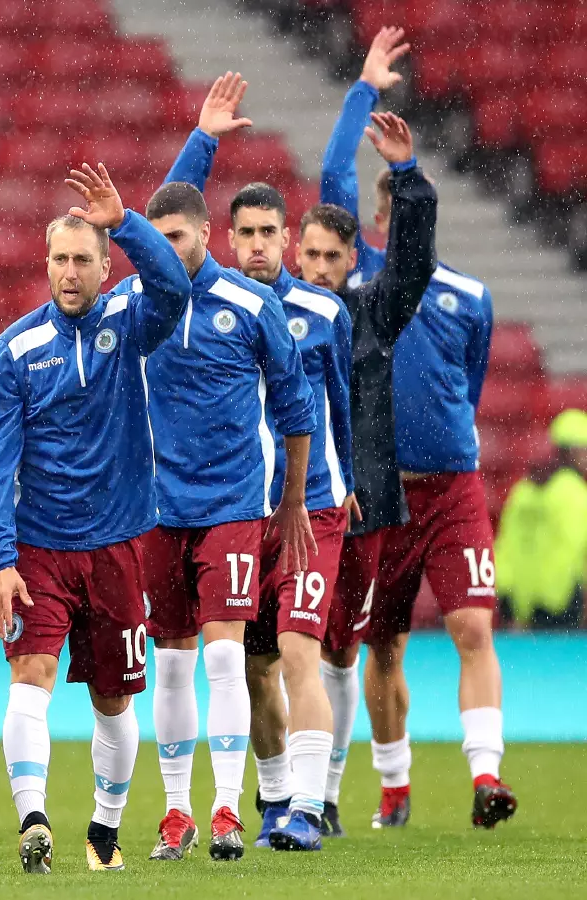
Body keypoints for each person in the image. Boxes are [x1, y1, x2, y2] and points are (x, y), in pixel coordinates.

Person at [320, 28, 513, 831]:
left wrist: (440, 443)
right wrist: (363, 89)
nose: (400, 220)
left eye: (412, 205)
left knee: (472, 624)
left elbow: (464, 388)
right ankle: (393, 789)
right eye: (390, 205)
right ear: (376, 214)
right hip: (380, 495)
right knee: (384, 646)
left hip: (452, 489)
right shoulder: (360, 279)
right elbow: (332, 174)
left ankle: (485, 779)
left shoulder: (471, 298)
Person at [161, 72, 356, 853]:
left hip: (310, 509)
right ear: (227, 240)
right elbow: (160, 222)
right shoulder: (209, 310)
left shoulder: (324, 313)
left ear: (288, 237)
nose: (257, 247)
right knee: (249, 666)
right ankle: (275, 798)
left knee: (303, 652)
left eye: (269, 235)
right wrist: (202, 142)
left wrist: (348, 490)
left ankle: (307, 806)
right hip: (240, 509)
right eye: (242, 235)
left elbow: (340, 409)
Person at [0, 163, 192, 874]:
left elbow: (175, 284)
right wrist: (1, 562)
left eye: (82, 260)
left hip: (119, 546)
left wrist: (126, 221)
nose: (69, 272)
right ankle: (34, 819)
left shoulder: (130, 325)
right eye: (59, 259)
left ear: (106, 268)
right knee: (30, 677)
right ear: (45, 265)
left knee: (112, 698)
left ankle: (103, 830)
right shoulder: (16, 349)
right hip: (39, 549)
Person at [130, 78, 318, 862]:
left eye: (180, 239)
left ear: (205, 236)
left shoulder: (248, 303)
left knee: (222, 655)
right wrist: (200, 141)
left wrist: (294, 500)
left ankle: (227, 810)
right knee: (169, 665)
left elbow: (296, 406)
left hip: (235, 503)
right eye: (157, 242)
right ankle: (175, 813)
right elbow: (146, 223)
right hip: (156, 508)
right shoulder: (139, 305)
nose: (167, 252)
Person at [294, 97, 438, 836]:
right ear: (296, 254)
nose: (319, 269)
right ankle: (275, 793)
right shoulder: (270, 315)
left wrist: (407, 176)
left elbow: (414, 262)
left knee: (339, 651)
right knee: (278, 649)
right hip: (281, 509)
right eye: (310, 255)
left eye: (332, 258)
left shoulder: (373, 313)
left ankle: (322, 796)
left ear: (354, 262)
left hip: (362, 508)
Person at [496, 409, 587, 629]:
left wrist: (514, 603)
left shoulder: (523, 489)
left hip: (516, 603)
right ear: (572, 451)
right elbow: (572, 552)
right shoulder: (574, 491)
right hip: (558, 607)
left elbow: (506, 546)